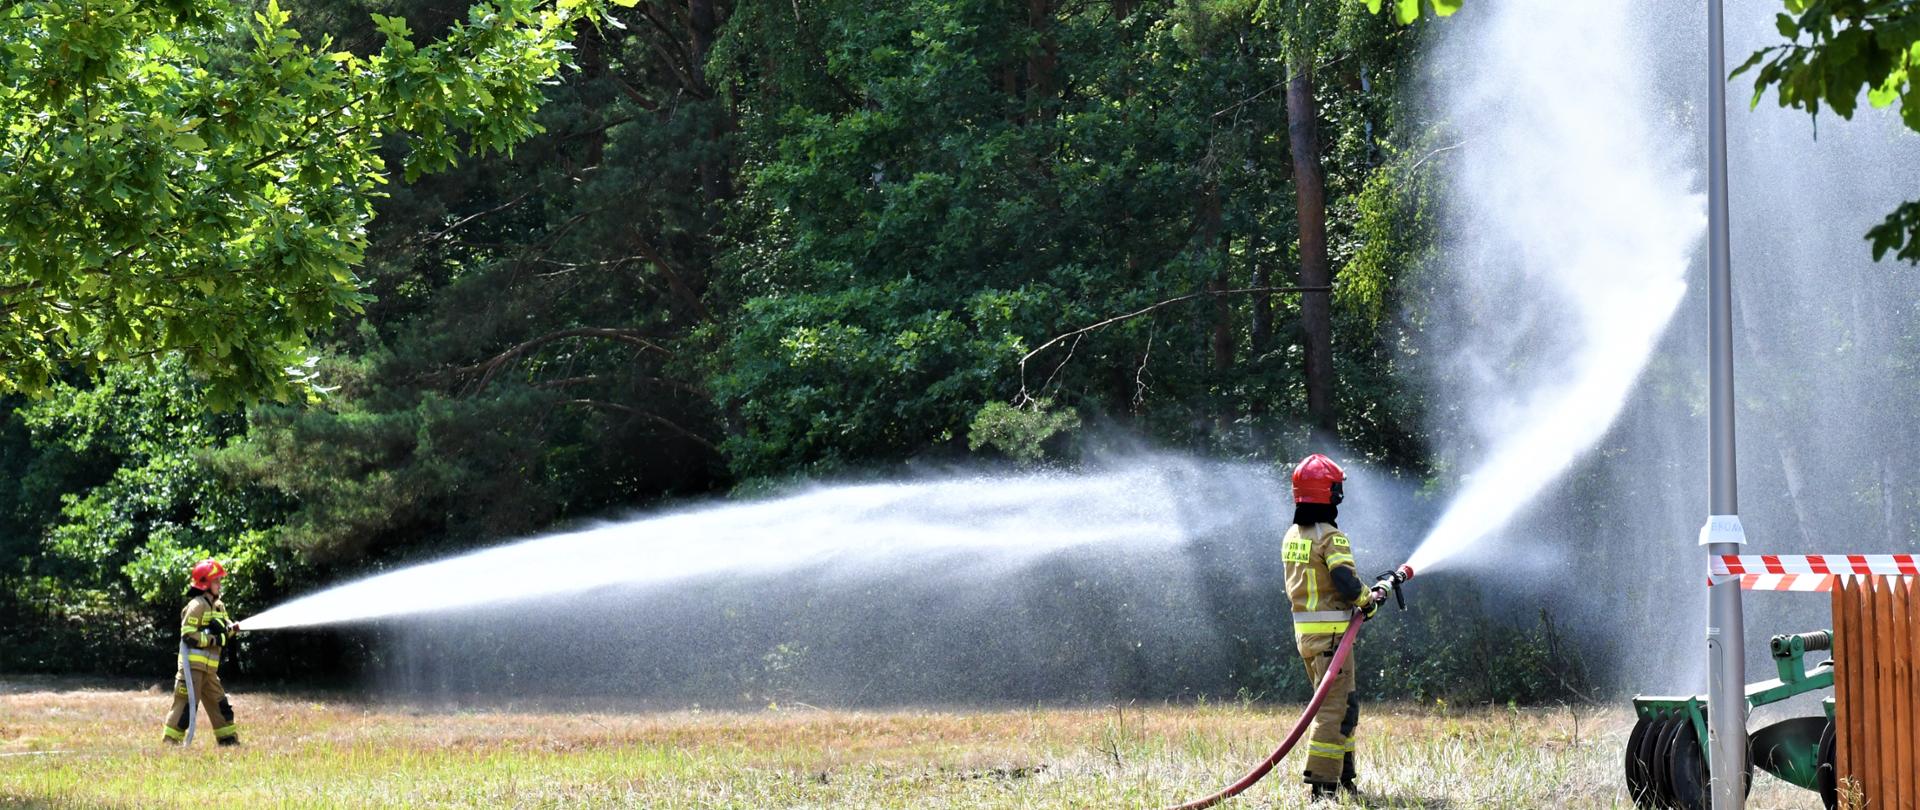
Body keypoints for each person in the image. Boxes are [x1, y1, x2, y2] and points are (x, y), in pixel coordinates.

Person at [1281, 453, 1383, 799]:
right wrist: (1368, 600)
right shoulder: (1330, 537)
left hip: (1310, 638)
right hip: (1332, 639)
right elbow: (1345, 582)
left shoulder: (1293, 536)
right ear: (1329, 493)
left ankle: (1343, 777)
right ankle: (1323, 787)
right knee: (1333, 710)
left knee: (1344, 706)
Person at [162, 559, 240, 746]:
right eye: (216, 581)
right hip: (192, 669)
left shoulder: (219, 606)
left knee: (220, 704)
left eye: (220, 580)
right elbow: (187, 634)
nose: (220, 584)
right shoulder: (197, 605)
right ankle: (170, 741)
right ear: (205, 583)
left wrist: (232, 629)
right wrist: (212, 639)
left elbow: (224, 631)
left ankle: (227, 739)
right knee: (185, 706)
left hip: (210, 670)